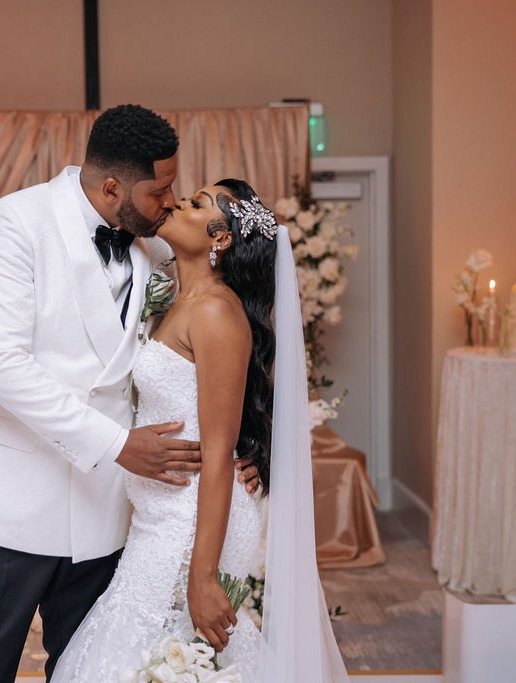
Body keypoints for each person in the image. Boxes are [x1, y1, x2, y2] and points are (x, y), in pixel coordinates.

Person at [0, 105, 260, 682]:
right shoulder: (13, 223)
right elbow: (2, 365)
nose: (172, 201)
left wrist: (247, 446)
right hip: (9, 500)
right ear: (113, 187)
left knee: (88, 668)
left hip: (107, 512)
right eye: (161, 190)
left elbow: (224, 350)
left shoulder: (158, 250)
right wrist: (116, 444)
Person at [51, 180, 350, 682]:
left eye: (194, 204)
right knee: (164, 653)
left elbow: (218, 449)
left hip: (191, 520)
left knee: (173, 649)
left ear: (221, 239)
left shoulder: (214, 310)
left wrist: (205, 574)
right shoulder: (174, 297)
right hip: (163, 513)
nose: (175, 203)